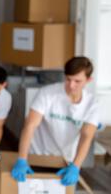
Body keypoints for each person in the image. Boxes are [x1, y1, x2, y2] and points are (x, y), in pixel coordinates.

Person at [11, 57, 101, 186]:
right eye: (68, 79)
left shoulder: (92, 104)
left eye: (77, 81)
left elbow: (86, 137)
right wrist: (22, 159)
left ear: (88, 80)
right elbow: (30, 126)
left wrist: (76, 166)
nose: (71, 85)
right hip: (36, 157)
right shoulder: (47, 94)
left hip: (65, 161)